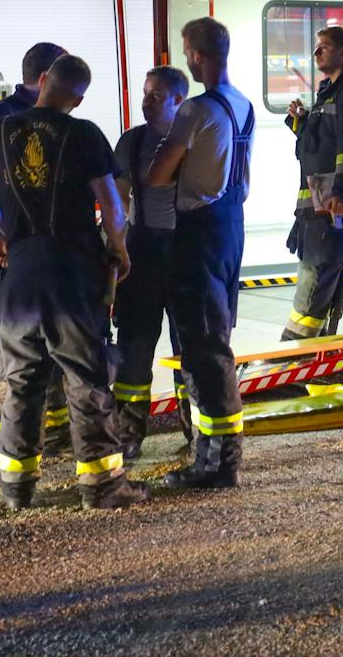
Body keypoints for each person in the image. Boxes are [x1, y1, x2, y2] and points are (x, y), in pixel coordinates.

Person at [0, 54, 146, 511]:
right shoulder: (83, 133)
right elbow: (111, 206)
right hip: (71, 274)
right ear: (76, 97)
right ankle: (102, 486)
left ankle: (16, 487)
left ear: (43, 84)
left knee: (20, 380)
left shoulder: (0, 131)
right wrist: (119, 247)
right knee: (85, 376)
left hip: (18, 273)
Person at [146, 18, 255, 490]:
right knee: (219, 334)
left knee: (203, 345)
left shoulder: (194, 111)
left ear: (196, 56)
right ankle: (215, 457)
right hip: (232, 226)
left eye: (187, 51)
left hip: (199, 230)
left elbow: (159, 174)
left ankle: (216, 464)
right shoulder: (244, 104)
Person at [0, 42, 71, 450]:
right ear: (47, 77)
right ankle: (9, 438)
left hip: (35, 259)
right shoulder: (2, 119)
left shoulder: (14, 115)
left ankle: (51, 431)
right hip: (10, 262)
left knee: (43, 347)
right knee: (13, 351)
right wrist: (2, 236)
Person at [110, 64, 191, 459]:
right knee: (134, 346)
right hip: (141, 252)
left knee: (189, 345)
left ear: (179, 100)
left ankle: (197, 430)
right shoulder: (132, 142)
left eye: (155, 96)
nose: (145, 101)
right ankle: (128, 433)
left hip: (184, 250)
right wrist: (116, 249)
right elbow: (117, 201)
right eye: (145, 93)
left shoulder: (196, 141)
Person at [280, 25, 343, 341]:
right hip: (317, 207)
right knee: (314, 275)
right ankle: (311, 352)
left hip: (332, 206)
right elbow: (321, 144)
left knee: (315, 278)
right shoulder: (333, 90)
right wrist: (300, 120)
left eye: (324, 46)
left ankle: (294, 353)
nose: (317, 52)